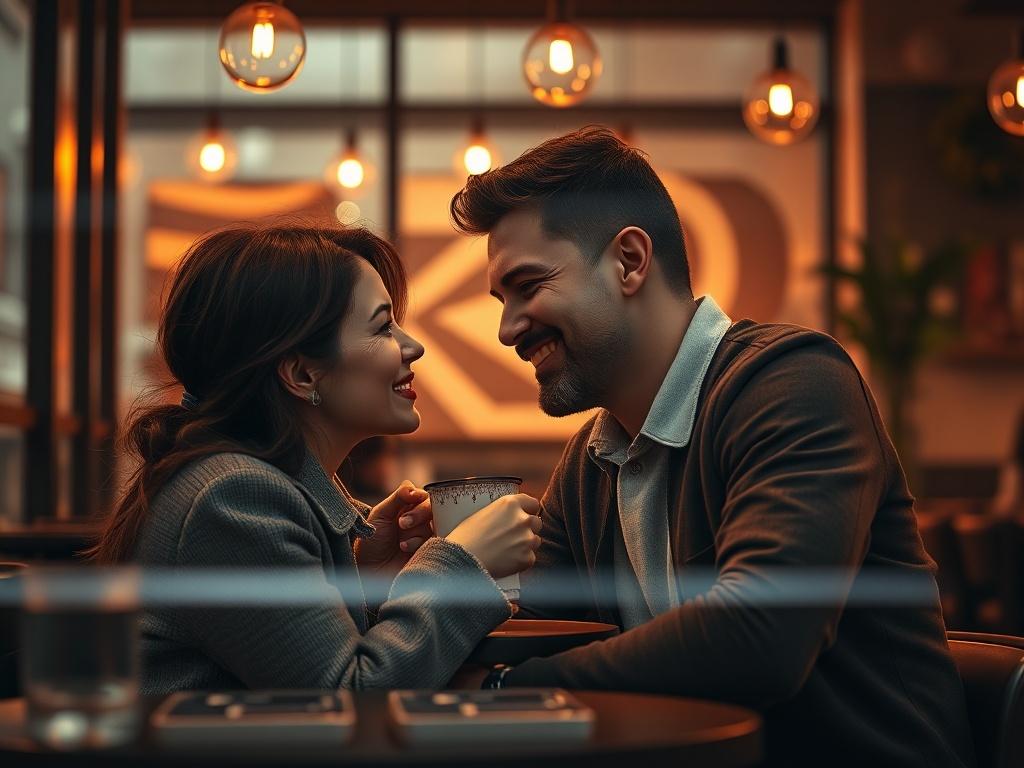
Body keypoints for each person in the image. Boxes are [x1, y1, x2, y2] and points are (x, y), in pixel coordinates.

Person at [449, 127, 975, 767]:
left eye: (528, 286)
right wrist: (400, 571)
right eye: (502, 301)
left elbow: (762, 638)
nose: (507, 329)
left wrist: (509, 694)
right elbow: (524, 633)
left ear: (630, 261)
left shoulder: (791, 383)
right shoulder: (594, 461)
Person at [86, 223, 542, 692]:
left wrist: (361, 574)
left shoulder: (242, 482)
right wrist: (460, 563)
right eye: (383, 326)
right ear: (303, 373)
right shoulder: (232, 498)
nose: (413, 346)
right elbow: (344, 699)